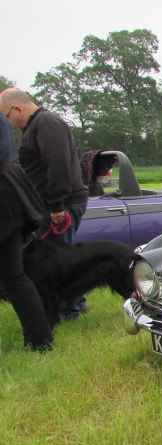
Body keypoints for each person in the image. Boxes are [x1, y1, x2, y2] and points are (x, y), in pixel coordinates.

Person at [0, 88, 89, 320]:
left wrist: (57, 205)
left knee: (57, 261)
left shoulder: (46, 123)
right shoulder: (34, 127)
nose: (10, 125)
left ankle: (68, 310)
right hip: (49, 204)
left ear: (17, 108)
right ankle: (76, 301)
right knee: (61, 254)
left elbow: (57, 165)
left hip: (61, 204)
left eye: (7, 117)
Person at [0, 113, 53, 350]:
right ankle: (40, 340)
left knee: (13, 276)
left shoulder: (46, 122)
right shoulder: (2, 118)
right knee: (14, 277)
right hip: (11, 195)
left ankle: (40, 340)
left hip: (4, 200)